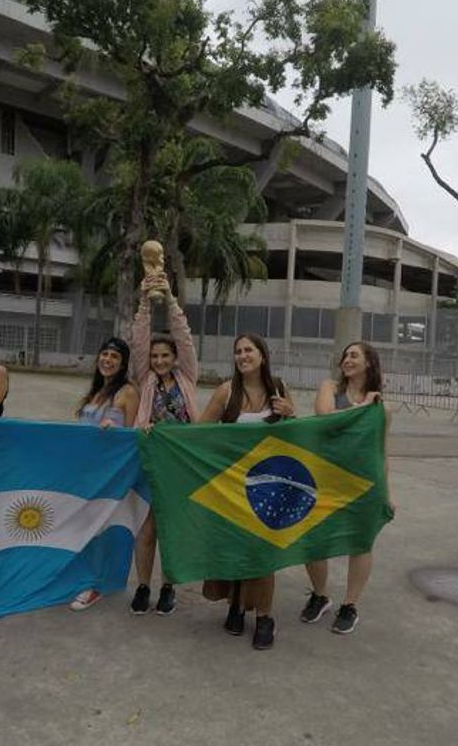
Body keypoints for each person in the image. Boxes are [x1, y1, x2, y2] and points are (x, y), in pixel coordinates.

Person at [197, 333, 296, 650]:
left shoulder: (278, 389)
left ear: (262, 355)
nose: (242, 355)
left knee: (264, 553)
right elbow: (198, 434)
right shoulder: (226, 391)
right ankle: (237, 606)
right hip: (232, 488)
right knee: (237, 548)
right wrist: (157, 431)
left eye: (248, 349)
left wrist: (291, 414)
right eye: (238, 351)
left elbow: (297, 439)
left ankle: (265, 617)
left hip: (269, 488)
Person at [300, 341, 392, 635]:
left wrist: (387, 494)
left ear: (369, 363)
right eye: (345, 355)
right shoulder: (330, 389)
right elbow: (324, 419)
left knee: (361, 543)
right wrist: (361, 409)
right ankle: (320, 594)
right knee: (313, 539)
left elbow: (382, 452)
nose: (347, 360)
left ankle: (350, 604)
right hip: (325, 480)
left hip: (365, 484)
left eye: (354, 355)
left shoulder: (381, 408)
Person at [127, 278, 198, 616]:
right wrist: (145, 302)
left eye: (165, 355)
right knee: (148, 527)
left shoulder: (187, 378)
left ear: (175, 358)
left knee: (171, 528)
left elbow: (183, 335)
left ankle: (168, 587)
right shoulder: (145, 380)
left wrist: (169, 299)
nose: (158, 360)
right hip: (151, 462)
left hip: (180, 466)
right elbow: (139, 341)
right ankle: (143, 587)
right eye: (154, 356)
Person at [70, 336, 140, 611]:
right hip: (86, 470)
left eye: (114, 357)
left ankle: (96, 585)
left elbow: (132, 435)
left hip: (109, 473)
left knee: (101, 527)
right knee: (86, 525)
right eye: (105, 354)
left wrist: (117, 430)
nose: (107, 360)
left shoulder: (127, 392)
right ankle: (90, 577)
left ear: (122, 364)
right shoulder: (96, 391)